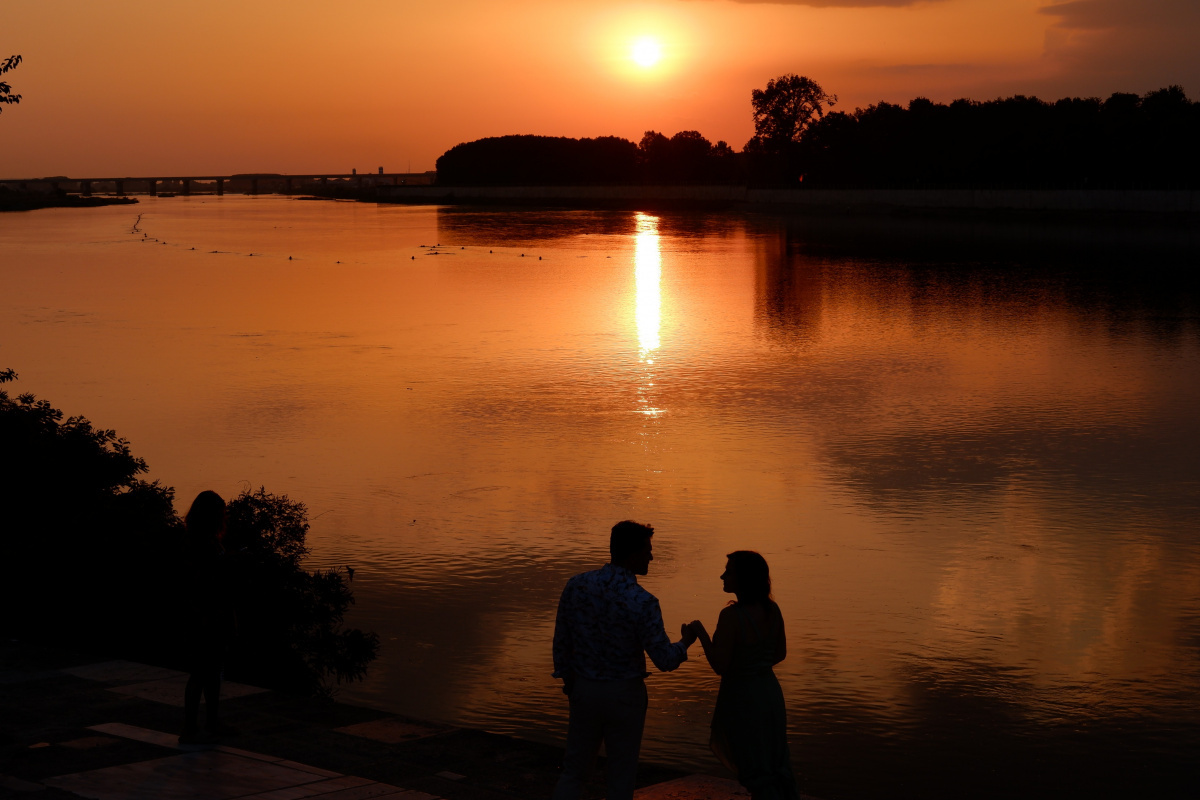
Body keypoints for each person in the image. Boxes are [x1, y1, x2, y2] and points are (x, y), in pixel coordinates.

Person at [551, 521, 697, 800]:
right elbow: (664, 660)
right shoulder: (642, 601)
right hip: (624, 694)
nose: (651, 557)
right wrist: (686, 641)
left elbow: (561, 641)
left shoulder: (577, 586)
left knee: (574, 771)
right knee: (621, 775)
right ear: (632, 554)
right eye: (647, 550)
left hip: (585, 688)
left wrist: (570, 681)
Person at [688, 551, 798, 800]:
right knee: (773, 760)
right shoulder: (772, 609)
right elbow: (779, 654)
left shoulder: (731, 616)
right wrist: (755, 662)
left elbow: (720, 665)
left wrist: (699, 632)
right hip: (770, 693)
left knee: (752, 763)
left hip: (743, 696)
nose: (722, 576)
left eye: (729, 571)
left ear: (744, 577)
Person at [179, 490, 236, 744]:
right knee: (203, 672)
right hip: (206, 614)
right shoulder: (202, 544)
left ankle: (209, 722)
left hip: (206, 613)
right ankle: (191, 727)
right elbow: (204, 579)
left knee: (210, 671)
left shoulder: (197, 540)